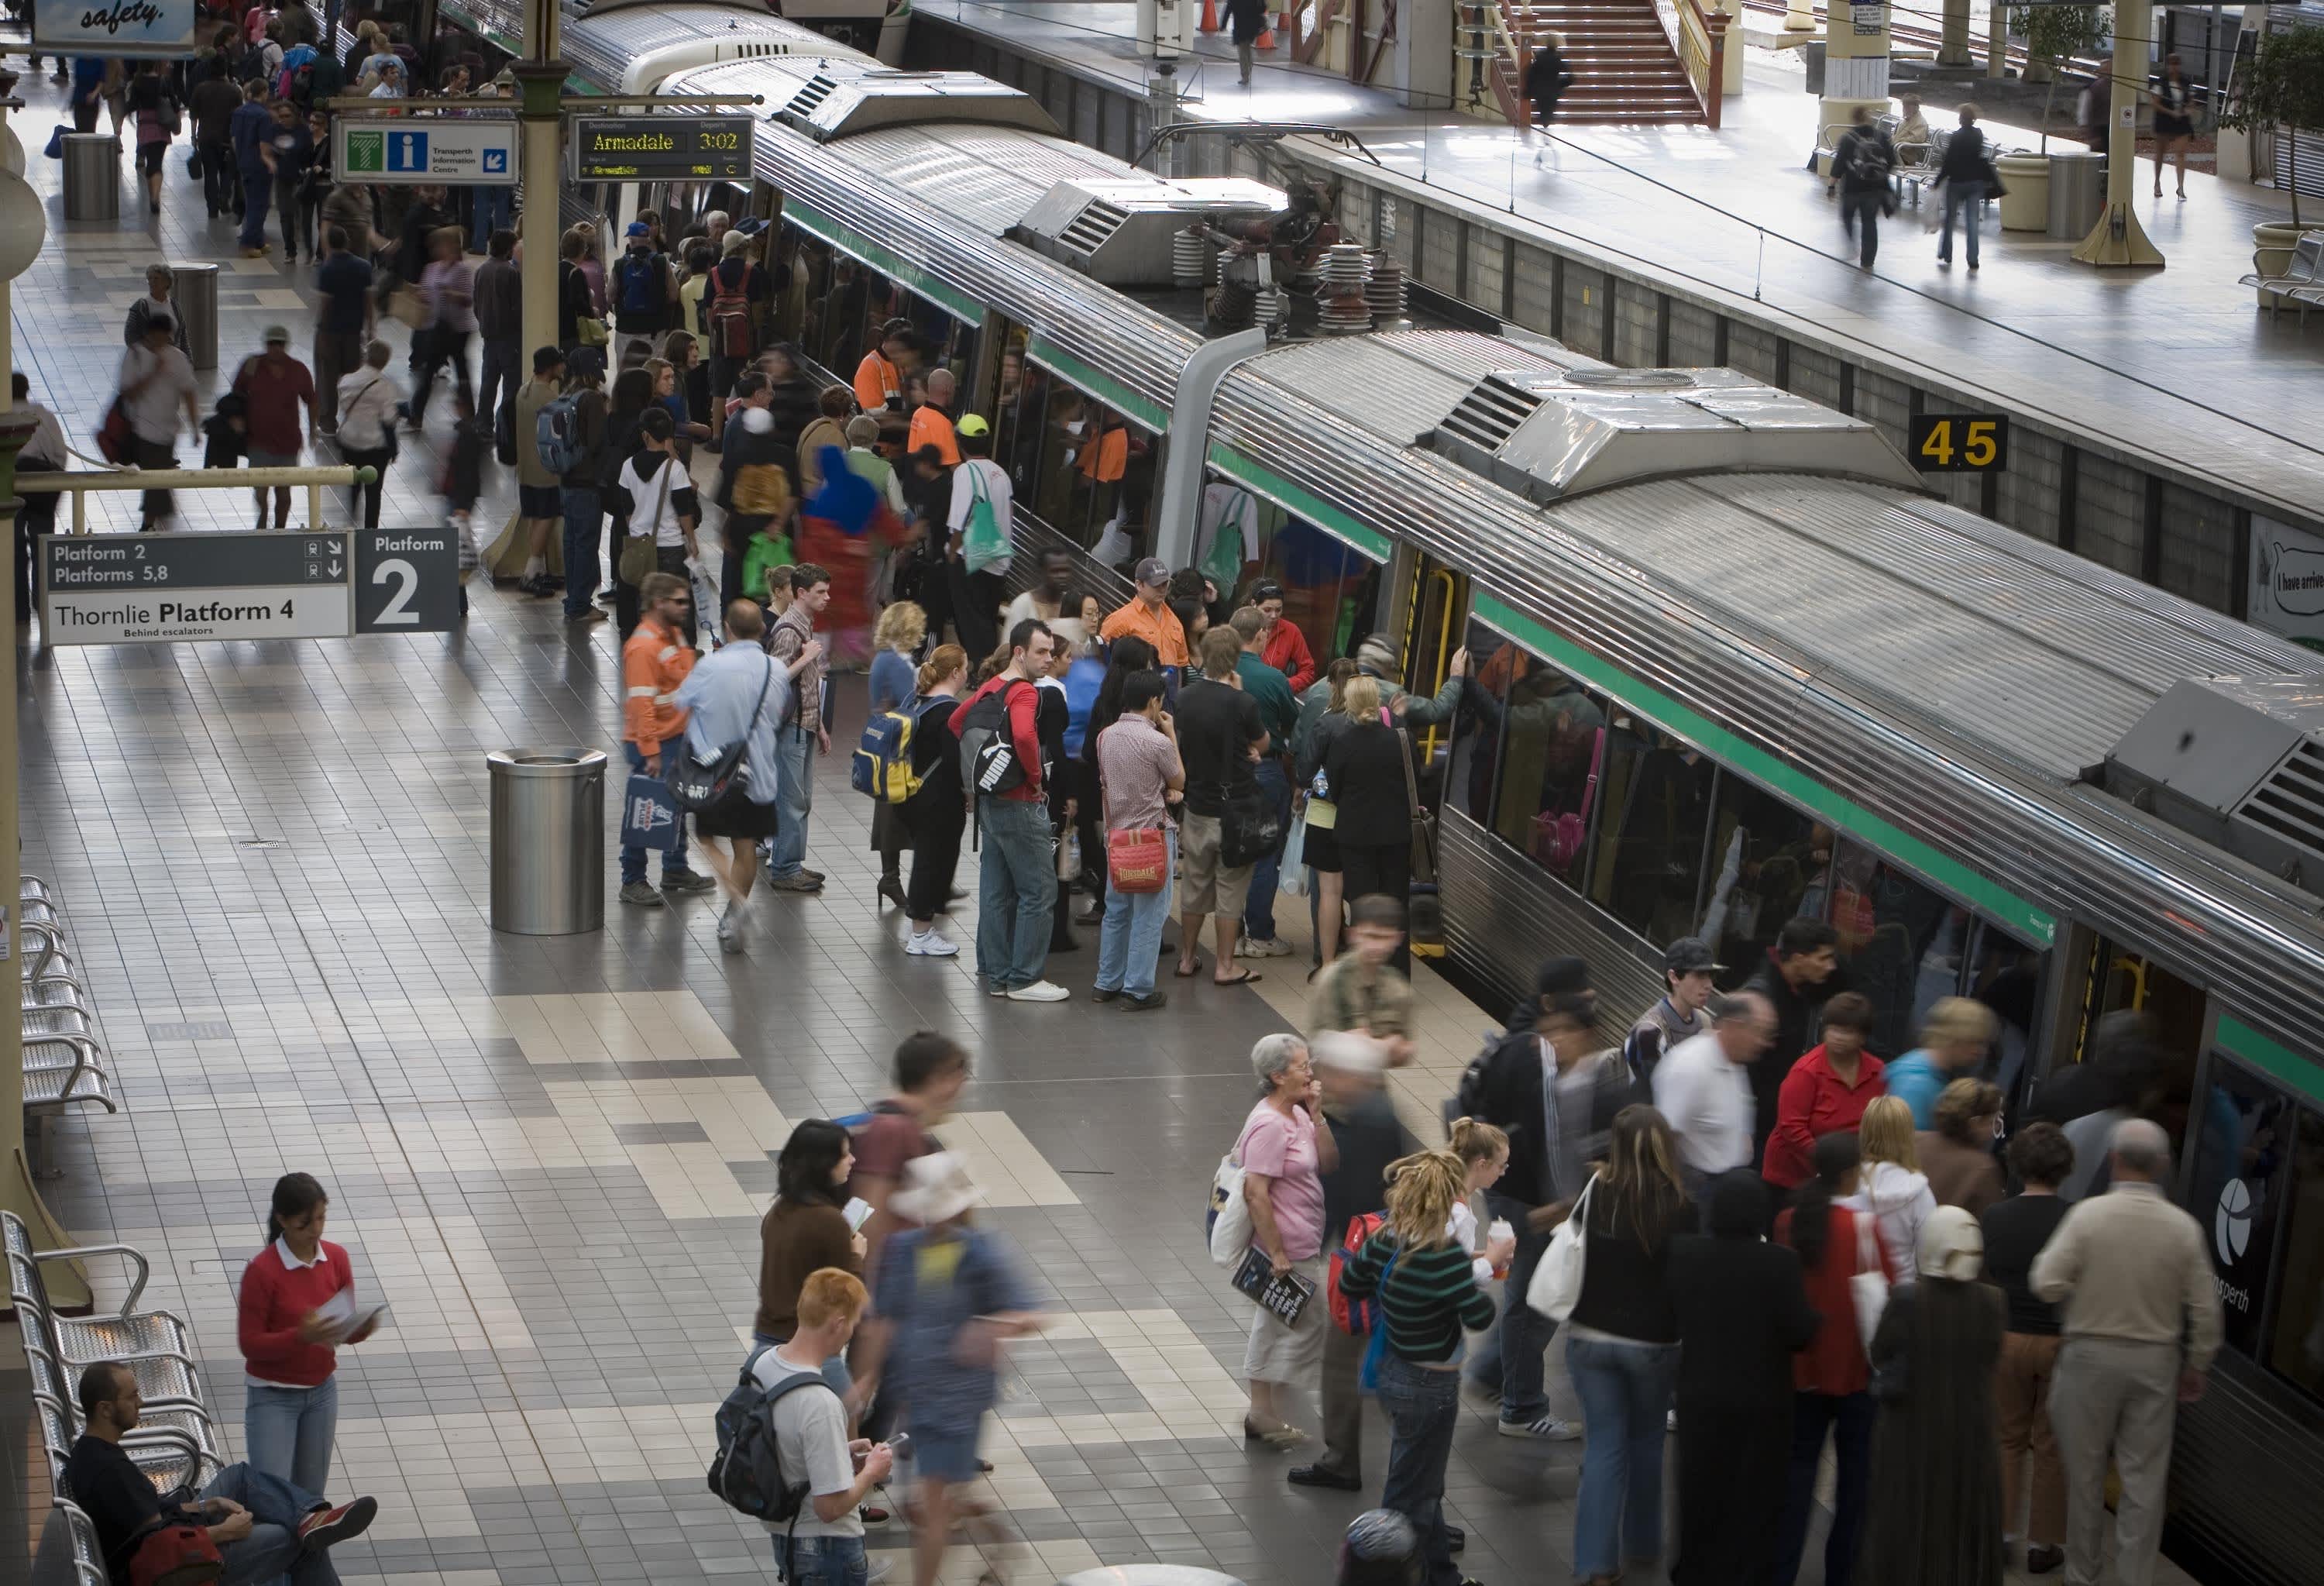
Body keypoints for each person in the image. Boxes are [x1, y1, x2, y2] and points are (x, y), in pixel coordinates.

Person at [2031, 1118, 2223, 1586]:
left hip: (2089, 1358)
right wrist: (2197, 1363)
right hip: (2155, 1363)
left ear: (2114, 1160)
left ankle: (2083, 1574)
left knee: (2086, 1475)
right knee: (2143, 1480)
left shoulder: (2087, 1217)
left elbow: (2046, 1282)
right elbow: (2206, 1309)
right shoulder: (2183, 1229)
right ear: (2162, 1166)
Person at [855, 1154, 1042, 1586]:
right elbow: (883, 1321)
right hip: (911, 1392)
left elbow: (1033, 1313)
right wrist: (864, 1379)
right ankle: (1003, 1545)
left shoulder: (981, 1253)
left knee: (933, 1504)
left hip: (960, 1399)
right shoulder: (902, 1252)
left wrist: (989, 1326)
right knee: (925, 1502)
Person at [1460, 979, 1633, 1440]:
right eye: (1548, 1031)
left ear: (1586, 1034)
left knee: (1538, 1302)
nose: (1552, 1042)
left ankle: (1497, 1378)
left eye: (1563, 1033)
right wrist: (1522, 1201)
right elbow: (1492, 1121)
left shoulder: (1599, 1078)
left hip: (1564, 1210)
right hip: (1526, 1203)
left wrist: (1567, 1205)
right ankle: (1520, 1408)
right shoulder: (1527, 1062)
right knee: (1529, 1304)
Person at [1334, 1148, 1501, 1586]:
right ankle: (1377, 1566)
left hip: (1392, 1373)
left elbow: (1351, 1283)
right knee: (1412, 1494)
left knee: (1421, 1480)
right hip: (1432, 1388)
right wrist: (1488, 1265)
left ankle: (1442, 1573)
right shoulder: (1443, 1256)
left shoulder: (1387, 1240)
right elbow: (1480, 1316)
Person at [64, 1360, 379, 1586]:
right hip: (179, 1566)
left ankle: (309, 1516)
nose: (141, 1402)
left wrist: (205, 1507)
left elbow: (146, 1517)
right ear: (105, 1408)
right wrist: (226, 1532)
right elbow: (156, 1545)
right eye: (131, 1396)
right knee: (300, 1543)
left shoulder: (90, 1453)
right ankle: (306, 1525)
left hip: (173, 1536)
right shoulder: (110, 1472)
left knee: (240, 1476)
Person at [1666, 1171, 1818, 1585]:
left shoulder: (1685, 1254)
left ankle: (1696, 1570)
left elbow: (1671, 1315)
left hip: (1700, 1396)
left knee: (1699, 1490)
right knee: (1756, 1497)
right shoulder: (1780, 1263)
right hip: (1762, 1403)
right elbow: (1799, 1332)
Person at [1564, 1106, 1689, 1586]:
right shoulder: (1679, 1203)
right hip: (1653, 1345)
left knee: (1603, 1447)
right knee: (1647, 1441)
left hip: (1589, 1338)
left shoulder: (1596, 1191)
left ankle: (1597, 1565)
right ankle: (1643, 1543)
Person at [1772, 1133, 1894, 1586]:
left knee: (1795, 1474)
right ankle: (1840, 1574)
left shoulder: (1788, 1220)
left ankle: (1781, 1570)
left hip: (1801, 1370)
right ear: (1850, 1173)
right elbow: (1886, 1291)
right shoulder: (1864, 1227)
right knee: (1854, 1482)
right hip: (1856, 1373)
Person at [1861, 1207, 2006, 1586]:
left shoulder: (1908, 1299)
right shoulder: (1993, 1302)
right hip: (1972, 1433)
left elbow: (1879, 1353)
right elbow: (1990, 1358)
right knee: (1964, 1525)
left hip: (1910, 1432)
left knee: (1907, 1522)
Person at [1289, 1033, 1406, 1494]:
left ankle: (1343, 1463)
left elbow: (1342, 1190)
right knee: (1381, 1362)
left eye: (1329, 1070)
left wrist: (1315, 1246)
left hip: (1367, 1262)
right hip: (1383, 1253)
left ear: (1350, 1075)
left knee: (1342, 1362)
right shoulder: (1376, 1109)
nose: (1323, 1077)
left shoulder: (1364, 1120)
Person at [744, 1267, 890, 1586]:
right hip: (827, 1548)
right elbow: (830, 1507)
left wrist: (840, 1450)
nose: (853, 1330)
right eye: (853, 1323)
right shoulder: (821, 1403)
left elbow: (787, 1444)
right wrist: (871, 1472)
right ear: (838, 1325)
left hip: (785, 1536)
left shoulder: (763, 1363)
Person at [237, 1173, 376, 1495]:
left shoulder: (337, 1258)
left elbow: (338, 1331)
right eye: (305, 1223)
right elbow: (250, 1344)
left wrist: (359, 1330)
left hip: (321, 1392)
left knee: (311, 1499)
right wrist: (300, 1337)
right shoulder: (262, 1271)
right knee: (272, 1497)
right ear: (282, 1220)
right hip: (273, 1396)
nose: (316, 1230)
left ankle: (310, 1548)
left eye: (321, 1219)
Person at [1982, 1121, 2075, 1577]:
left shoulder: (1996, 1217)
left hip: (2009, 1337)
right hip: (2062, 1344)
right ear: (2065, 1169)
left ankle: (2001, 1534)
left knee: (2007, 1437)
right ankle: (2043, 1544)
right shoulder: (2076, 1218)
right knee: (2052, 1445)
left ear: (2017, 1165)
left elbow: (1989, 1274)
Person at [1236, 1032, 1336, 1447]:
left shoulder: (1295, 1115)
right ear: (1278, 1076)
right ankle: (1270, 1405)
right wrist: (1276, 1252)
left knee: (1275, 1322)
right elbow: (1255, 1192)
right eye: (1302, 1066)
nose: (1310, 1072)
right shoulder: (1269, 1124)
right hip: (1286, 1249)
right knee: (1309, 1322)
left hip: (1303, 1241)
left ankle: (1263, 1411)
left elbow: (1328, 1162)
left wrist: (1316, 1113)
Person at [961, 618, 1068, 1000]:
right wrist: (1036, 777)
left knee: (995, 891)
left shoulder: (990, 687)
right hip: (1022, 804)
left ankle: (995, 972)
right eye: (1041, 651)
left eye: (1052, 651)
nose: (1049, 659)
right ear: (1020, 652)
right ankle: (1025, 978)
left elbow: (959, 722)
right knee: (1039, 892)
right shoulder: (1024, 693)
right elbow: (1024, 735)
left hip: (990, 802)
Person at [675, 600, 787, 952]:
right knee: (746, 844)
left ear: (727, 627)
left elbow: (682, 702)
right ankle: (732, 915)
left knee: (708, 838)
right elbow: (779, 713)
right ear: (763, 629)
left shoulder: (711, 665)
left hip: (717, 772)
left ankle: (738, 900)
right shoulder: (777, 670)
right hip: (759, 772)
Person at [1170, 625, 1268, 986]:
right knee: (1230, 889)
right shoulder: (1244, 703)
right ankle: (1226, 965)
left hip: (1196, 805)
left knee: (1195, 884)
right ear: (1234, 661)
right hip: (1234, 811)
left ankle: (1187, 957)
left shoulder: (1184, 698)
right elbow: (1263, 742)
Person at [617, 572, 716, 907]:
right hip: (655, 742)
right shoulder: (643, 647)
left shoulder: (673, 635)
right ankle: (632, 879)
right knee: (645, 808)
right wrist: (651, 752)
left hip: (677, 737)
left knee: (675, 805)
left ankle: (675, 868)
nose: (685, 606)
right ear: (659, 603)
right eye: (678, 601)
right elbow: (642, 705)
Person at [1092, 668, 1184, 1010]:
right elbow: (1180, 780)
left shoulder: (1105, 737)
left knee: (1116, 911)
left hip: (1117, 838)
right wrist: (1171, 732)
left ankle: (1106, 982)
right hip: (1152, 839)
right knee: (1149, 914)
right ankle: (1138, 989)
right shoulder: (1157, 741)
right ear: (1154, 701)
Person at [843, 1030, 970, 1279]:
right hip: (890, 1287)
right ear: (941, 1078)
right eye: (960, 1075)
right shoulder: (893, 1130)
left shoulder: (895, 1124)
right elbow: (872, 1217)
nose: (962, 1086)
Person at [753, 1121, 867, 1375]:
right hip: (810, 1349)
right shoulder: (829, 1221)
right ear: (824, 1164)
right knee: (848, 1410)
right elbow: (846, 1294)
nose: (852, 1160)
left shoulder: (779, 1210)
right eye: (845, 1154)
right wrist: (856, 1255)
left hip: (766, 1341)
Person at [1229, 605, 1302, 959]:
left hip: (1222, 776)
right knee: (1264, 854)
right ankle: (1260, 933)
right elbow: (1294, 724)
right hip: (1265, 773)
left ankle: (1233, 936)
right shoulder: (1273, 679)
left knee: (1231, 853)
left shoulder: (1214, 674)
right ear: (1261, 635)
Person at [1739, 916, 1841, 1168]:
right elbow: (1740, 1069)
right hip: (1752, 1130)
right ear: (1798, 959)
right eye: (1823, 958)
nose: (1830, 967)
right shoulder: (1762, 1000)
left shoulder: (1799, 987)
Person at [1763, 990, 1886, 1192]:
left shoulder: (1877, 1071)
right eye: (1832, 1029)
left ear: (1863, 1037)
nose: (1837, 1037)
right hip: (1795, 1177)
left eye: (1847, 1032)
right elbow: (1791, 1128)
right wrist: (1829, 1165)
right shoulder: (1806, 1071)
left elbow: (1878, 1123)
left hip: (1848, 1176)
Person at [763, 562, 833, 895]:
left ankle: (791, 862)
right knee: (792, 800)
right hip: (789, 727)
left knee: (801, 799)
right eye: (821, 592)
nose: (827, 598)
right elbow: (774, 678)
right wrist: (807, 658)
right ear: (801, 593)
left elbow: (807, 686)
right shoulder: (790, 630)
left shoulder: (803, 626)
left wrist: (818, 725)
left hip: (802, 724)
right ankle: (785, 867)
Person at [898, 645, 970, 958]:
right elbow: (955, 762)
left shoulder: (916, 701)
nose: (968, 673)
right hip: (938, 800)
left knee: (926, 859)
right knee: (930, 861)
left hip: (911, 792)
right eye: (965, 667)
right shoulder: (950, 712)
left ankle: (923, 927)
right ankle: (921, 933)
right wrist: (969, 794)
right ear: (955, 672)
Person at [1309, 893, 1417, 1065]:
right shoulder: (1337, 977)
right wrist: (1388, 1045)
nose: (1377, 946)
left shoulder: (1397, 985)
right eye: (1370, 936)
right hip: (1330, 1083)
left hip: (1369, 1080)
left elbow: (1405, 1052)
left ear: (1398, 939)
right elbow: (1354, 1049)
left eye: (1385, 938)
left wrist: (1380, 1046)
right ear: (1353, 935)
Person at [868, 600, 927, 910]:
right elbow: (909, 703)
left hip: (886, 745)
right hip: (898, 750)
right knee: (896, 815)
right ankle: (895, 878)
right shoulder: (896, 663)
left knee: (894, 814)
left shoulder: (885, 658)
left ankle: (896, 877)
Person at [117, 311, 199, 532]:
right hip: (142, 430)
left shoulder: (178, 358)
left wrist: (195, 428)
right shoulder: (135, 355)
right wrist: (153, 372)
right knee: (155, 477)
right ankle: (149, 523)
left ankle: (152, 521)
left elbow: (189, 392)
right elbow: (128, 393)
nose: (163, 342)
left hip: (168, 431)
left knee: (157, 478)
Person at [1843, 1094, 1937, 1286]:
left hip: (1851, 1292)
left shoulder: (1844, 1182)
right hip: (1902, 1294)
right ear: (1907, 1135)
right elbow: (1929, 1252)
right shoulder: (1919, 1191)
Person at [231, 325, 318, 531]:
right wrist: (236, 418)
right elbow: (236, 393)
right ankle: (262, 518)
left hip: (288, 443)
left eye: (279, 344)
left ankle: (280, 527)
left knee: (284, 493)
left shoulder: (298, 370)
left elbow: (312, 400)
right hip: (258, 441)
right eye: (271, 343)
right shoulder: (252, 365)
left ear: (285, 345)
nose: (275, 348)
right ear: (266, 344)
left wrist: (313, 430)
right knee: (260, 491)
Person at [944, 414, 1012, 662]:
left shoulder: (964, 472)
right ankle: (987, 665)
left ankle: (980, 668)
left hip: (970, 556)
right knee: (986, 614)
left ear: (960, 443)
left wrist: (951, 553)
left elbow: (959, 519)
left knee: (970, 616)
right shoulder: (1001, 474)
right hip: (997, 556)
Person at [553, 347, 611, 628]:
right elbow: (598, 442)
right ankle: (579, 604)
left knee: (572, 543)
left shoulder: (565, 396)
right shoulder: (591, 399)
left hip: (566, 481)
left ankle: (574, 600)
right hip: (588, 484)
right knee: (587, 544)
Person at [1883, 995, 1994, 1128]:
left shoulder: (1929, 1071)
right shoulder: (1917, 1086)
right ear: (1956, 1037)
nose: (1981, 1051)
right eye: (1976, 1042)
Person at [1623, 936, 1720, 1086]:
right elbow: (1662, 1093)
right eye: (1700, 975)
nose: (1709, 985)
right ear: (1674, 977)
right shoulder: (1650, 1032)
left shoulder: (1704, 1021)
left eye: (1710, 976)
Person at [510, 346, 568, 596]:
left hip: (526, 469)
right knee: (546, 518)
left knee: (535, 517)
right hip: (546, 472)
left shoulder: (524, 391)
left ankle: (539, 570)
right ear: (552, 367)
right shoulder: (548, 399)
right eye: (560, 363)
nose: (563, 367)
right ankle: (531, 573)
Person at [12, 373, 66, 625]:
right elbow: (59, 455)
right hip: (43, 487)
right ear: (27, 390)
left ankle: (18, 610)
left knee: (13, 549)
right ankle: (44, 604)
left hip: (9, 487)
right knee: (43, 544)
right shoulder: (44, 416)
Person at [411, 227, 476, 428]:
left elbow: (468, 299)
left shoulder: (463, 269)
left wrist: (451, 294)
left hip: (458, 329)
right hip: (436, 327)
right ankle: (416, 415)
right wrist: (421, 295)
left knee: (461, 370)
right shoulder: (432, 268)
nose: (436, 249)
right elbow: (425, 292)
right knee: (429, 370)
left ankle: (469, 415)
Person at [311, 230, 372, 439]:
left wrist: (321, 329)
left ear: (328, 243)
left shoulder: (327, 268)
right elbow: (368, 301)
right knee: (353, 376)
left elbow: (325, 304)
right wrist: (371, 328)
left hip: (330, 332)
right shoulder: (364, 266)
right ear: (347, 241)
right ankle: (355, 418)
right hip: (354, 332)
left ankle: (328, 423)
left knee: (327, 378)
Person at [333, 339, 398, 531]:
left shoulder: (346, 380)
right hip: (375, 446)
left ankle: (351, 517)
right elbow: (389, 419)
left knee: (353, 482)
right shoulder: (385, 387)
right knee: (373, 491)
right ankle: (371, 530)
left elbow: (344, 407)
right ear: (385, 362)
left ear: (366, 357)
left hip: (349, 441)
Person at [1919, 1078, 2005, 1214]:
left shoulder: (1915, 1140)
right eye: (1991, 1121)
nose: (1995, 1128)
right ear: (1975, 1124)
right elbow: (1992, 1224)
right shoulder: (1982, 1168)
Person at [1834, 105, 1897, 270]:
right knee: (1870, 222)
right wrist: (1880, 176)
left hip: (1852, 188)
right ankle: (1868, 260)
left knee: (1847, 217)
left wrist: (1831, 186)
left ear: (1854, 119)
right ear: (1868, 118)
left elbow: (1839, 164)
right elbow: (1891, 161)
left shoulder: (1848, 139)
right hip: (1874, 189)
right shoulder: (1882, 137)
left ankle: (1852, 246)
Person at [1099, 556, 1191, 668]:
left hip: (1169, 682)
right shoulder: (1120, 619)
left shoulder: (1174, 620)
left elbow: (1181, 665)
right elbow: (1103, 660)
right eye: (1156, 585)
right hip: (1135, 683)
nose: (1162, 589)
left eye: (1165, 584)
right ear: (1139, 585)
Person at [473, 229, 522, 440]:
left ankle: (483, 424)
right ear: (508, 248)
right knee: (511, 385)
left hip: (488, 336)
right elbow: (517, 308)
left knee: (488, 382)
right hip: (510, 338)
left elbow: (476, 305)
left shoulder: (482, 269)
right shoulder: (511, 272)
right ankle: (506, 427)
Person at [1936, 102, 1989, 270]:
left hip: (1957, 183)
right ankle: (1973, 259)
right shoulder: (1978, 135)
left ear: (1961, 119)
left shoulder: (1956, 137)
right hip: (1975, 182)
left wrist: (1938, 181)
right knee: (1972, 221)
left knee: (1950, 219)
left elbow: (1948, 163)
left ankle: (1946, 253)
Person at [260, 96, 313, 263]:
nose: (283, 120)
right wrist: (271, 163)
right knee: (285, 214)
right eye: (280, 116)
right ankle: (290, 250)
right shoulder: (274, 130)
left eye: (287, 116)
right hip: (282, 177)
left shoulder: (303, 131)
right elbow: (266, 150)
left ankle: (310, 248)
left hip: (301, 177)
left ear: (295, 116)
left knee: (304, 216)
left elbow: (309, 153)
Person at [191, 63, 242, 217]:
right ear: (224, 72)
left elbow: (194, 116)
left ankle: (212, 208)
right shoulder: (234, 90)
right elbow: (239, 115)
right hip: (226, 137)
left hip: (206, 137)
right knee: (227, 169)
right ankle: (224, 196)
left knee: (210, 173)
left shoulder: (200, 89)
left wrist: (194, 136)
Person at [230, 81, 274, 256]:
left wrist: (241, 156)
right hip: (259, 164)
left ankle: (258, 240)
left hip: (244, 162)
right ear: (263, 92)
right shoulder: (263, 115)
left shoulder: (239, 112)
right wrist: (269, 161)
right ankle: (248, 243)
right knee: (260, 204)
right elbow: (264, 144)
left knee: (252, 201)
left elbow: (234, 139)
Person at [125, 65, 176, 216]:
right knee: (157, 163)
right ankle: (156, 197)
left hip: (145, 127)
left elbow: (132, 104)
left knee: (149, 164)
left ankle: (152, 197)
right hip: (162, 125)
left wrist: (126, 113)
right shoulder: (164, 81)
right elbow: (174, 102)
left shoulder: (138, 82)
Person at [1252, 580, 1317, 691]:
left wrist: (1285, 685)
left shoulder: (1291, 631)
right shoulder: (1241, 626)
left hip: (1275, 695)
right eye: (1267, 610)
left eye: (1278, 610)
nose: (1274, 616)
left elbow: (1308, 671)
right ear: (1254, 605)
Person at [1524, 30, 1572, 168]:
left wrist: (1530, 90)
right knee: (1547, 119)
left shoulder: (1540, 58)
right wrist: (1559, 84)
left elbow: (1530, 75)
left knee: (1544, 118)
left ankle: (1544, 144)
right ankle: (1545, 142)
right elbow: (1571, 77)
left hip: (1540, 93)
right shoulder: (1558, 59)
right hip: (1552, 93)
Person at [2150, 53, 2194, 199]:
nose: (2174, 67)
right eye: (2171, 64)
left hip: (2181, 123)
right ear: (2168, 66)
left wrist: (2187, 110)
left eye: (2176, 64)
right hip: (2164, 122)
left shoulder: (2186, 83)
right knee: (2160, 154)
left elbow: (2191, 102)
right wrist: (2170, 112)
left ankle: (2181, 187)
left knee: (2181, 153)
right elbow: (2155, 103)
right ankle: (2157, 182)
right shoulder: (2160, 82)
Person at [907, 366, 960, 466]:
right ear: (948, 389)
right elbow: (954, 465)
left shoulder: (918, 413)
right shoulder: (943, 422)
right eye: (954, 388)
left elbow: (912, 452)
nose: (955, 392)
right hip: (933, 480)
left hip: (914, 477)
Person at [1894, 94, 1931, 163]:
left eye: (1908, 107)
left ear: (1916, 107)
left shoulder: (1921, 123)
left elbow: (1915, 140)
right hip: (1896, 151)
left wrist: (1896, 142)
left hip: (1905, 157)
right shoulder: (1906, 120)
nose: (1905, 110)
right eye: (1904, 107)